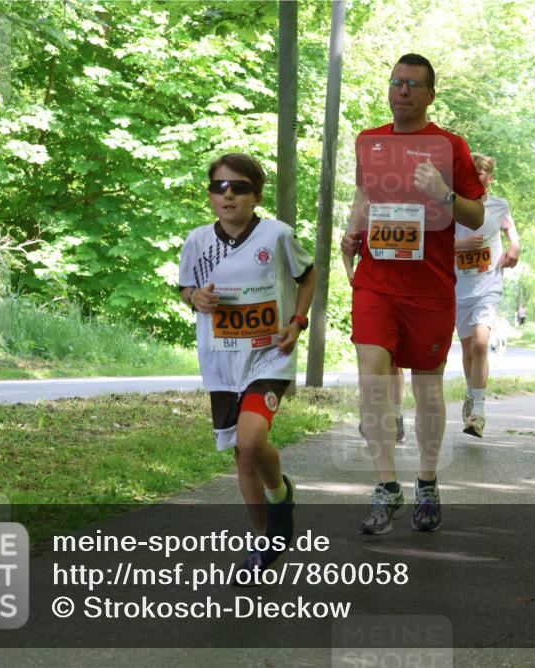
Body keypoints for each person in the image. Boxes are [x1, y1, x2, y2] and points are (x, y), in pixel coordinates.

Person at [341, 53, 485, 535]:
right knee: (372, 373)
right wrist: (352, 234)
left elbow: (476, 217)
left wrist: (444, 192)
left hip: (430, 288)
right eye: (396, 82)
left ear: (429, 95)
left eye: (412, 84)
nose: (401, 90)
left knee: (426, 391)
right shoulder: (370, 141)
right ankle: (386, 485)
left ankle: (426, 482)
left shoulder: (451, 146)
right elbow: (364, 197)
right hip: (376, 281)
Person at [179, 153, 317, 574]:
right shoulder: (197, 241)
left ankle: (280, 495)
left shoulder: (276, 235)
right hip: (221, 363)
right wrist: (194, 298)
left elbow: (308, 275)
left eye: (239, 187)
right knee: (241, 457)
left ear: (256, 196)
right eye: (220, 187)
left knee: (251, 441)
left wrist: (297, 322)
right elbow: (186, 288)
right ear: (210, 195)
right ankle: (263, 545)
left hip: (269, 357)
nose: (228, 195)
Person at [454, 153, 520, 437]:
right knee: (468, 349)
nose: (474, 177)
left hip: (488, 286)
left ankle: (478, 412)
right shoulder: (452, 205)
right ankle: (471, 393)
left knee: (481, 344)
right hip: (458, 288)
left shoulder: (498, 205)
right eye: (469, 172)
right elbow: (435, 243)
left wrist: (514, 246)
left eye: (479, 173)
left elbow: (509, 227)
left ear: (489, 178)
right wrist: (462, 245)